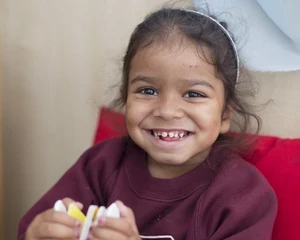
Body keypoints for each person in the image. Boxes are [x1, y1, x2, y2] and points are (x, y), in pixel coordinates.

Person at [18, 6, 277, 240]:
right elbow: (34, 228)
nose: (167, 111)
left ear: (225, 115)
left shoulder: (244, 196)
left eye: (193, 94)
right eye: (148, 91)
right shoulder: (100, 165)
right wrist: (36, 234)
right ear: (125, 97)